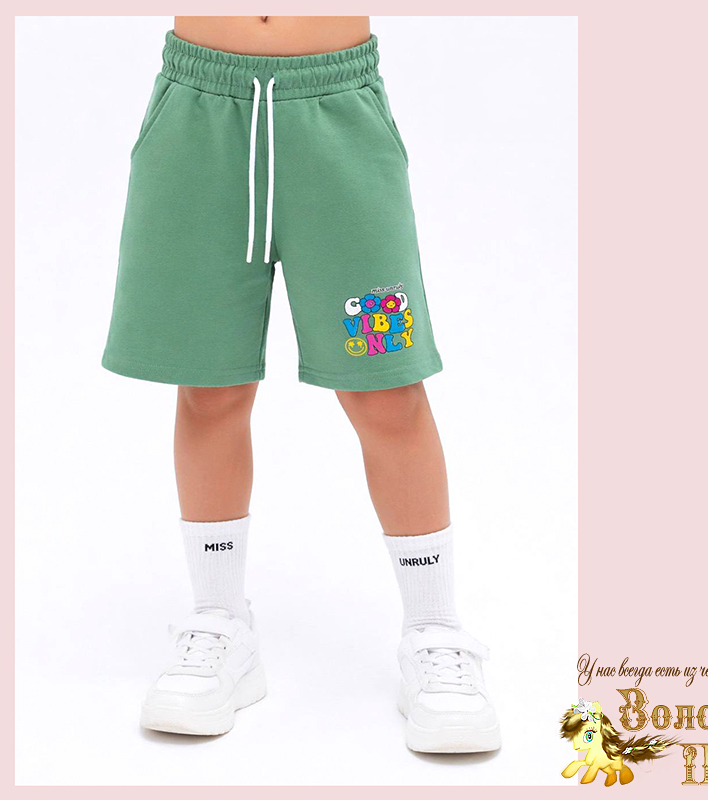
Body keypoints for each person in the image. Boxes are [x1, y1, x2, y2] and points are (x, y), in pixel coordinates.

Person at [102, 16, 499, 753]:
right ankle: (220, 622)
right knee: (209, 385)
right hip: (198, 119)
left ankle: (435, 631)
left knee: (387, 385)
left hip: (336, 119)